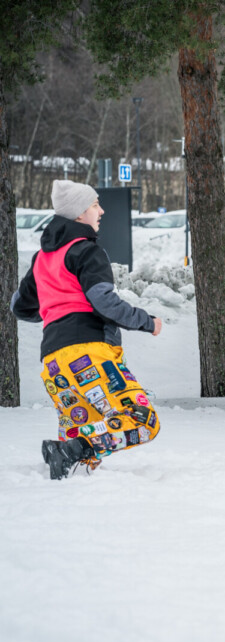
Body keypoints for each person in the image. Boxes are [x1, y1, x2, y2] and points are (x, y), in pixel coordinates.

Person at [10, 179, 163, 479]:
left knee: (84, 453)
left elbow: (20, 306)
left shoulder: (42, 259)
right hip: (89, 353)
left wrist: (57, 316)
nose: (101, 211)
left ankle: (65, 461)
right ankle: (69, 451)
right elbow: (103, 301)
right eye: (95, 205)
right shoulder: (87, 251)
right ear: (80, 213)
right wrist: (148, 321)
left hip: (54, 363)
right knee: (143, 420)